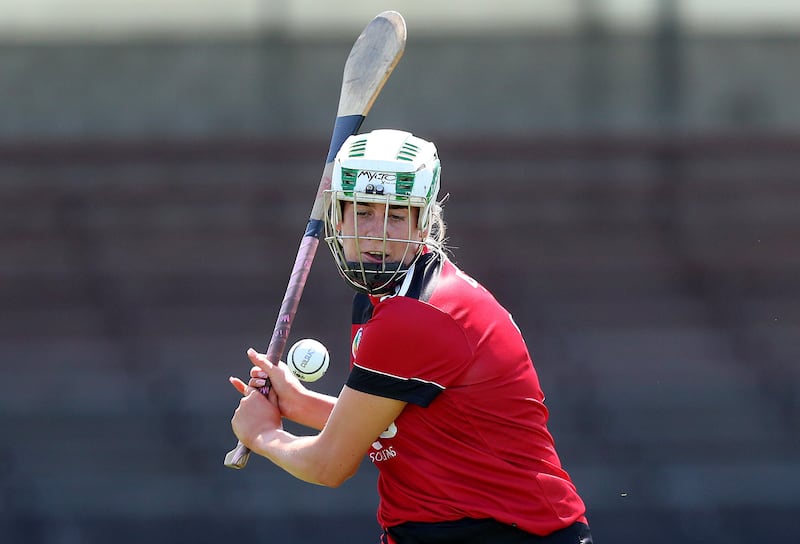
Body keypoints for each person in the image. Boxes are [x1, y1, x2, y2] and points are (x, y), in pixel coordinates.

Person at [229, 129, 592, 544]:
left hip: (508, 534)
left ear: (424, 223)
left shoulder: (415, 316)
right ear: (337, 216)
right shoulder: (387, 297)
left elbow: (328, 466)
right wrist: (299, 403)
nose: (377, 234)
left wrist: (261, 435)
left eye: (397, 215)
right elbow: (410, 426)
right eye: (363, 211)